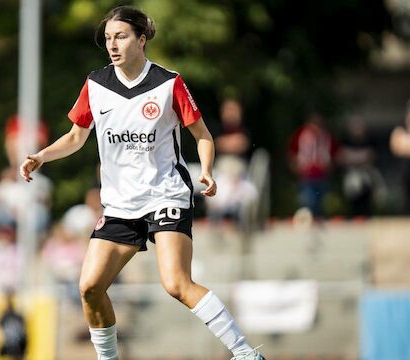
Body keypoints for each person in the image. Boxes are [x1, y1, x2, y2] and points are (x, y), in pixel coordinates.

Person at [20, 6, 265, 360]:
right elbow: (76, 137)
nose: (112, 45)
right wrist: (41, 156)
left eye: (120, 36)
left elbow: (204, 136)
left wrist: (207, 171)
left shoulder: (168, 83)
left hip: (166, 193)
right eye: (107, 38)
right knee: (89, 287)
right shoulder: (96, 84)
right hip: (120, 204)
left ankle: (246, 354)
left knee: (176, 283)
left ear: (141, 39)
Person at [288, 111, 340, 217]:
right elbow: (292, 153)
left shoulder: (326, 136)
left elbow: (335, 154)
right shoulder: (301, 135)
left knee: (320, 203)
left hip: (321, 176)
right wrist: (296, 168)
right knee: (307, 201)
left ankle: (318, 223)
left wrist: (330, 167)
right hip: (306, 176)